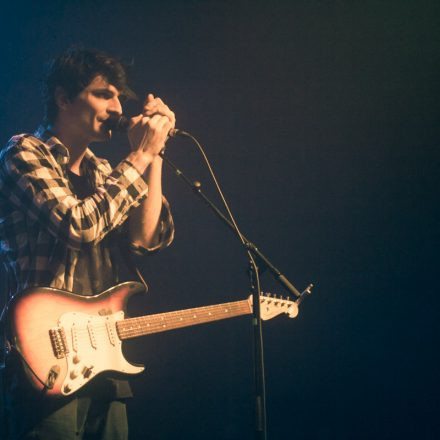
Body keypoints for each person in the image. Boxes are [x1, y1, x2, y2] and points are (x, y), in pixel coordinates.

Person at [0, 47, 175, 439]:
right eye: (104, 94)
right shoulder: (24, 152)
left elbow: (146, 238)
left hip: (103, 360)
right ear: (63, 98)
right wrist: (140, 154)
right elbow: (78, 226)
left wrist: (155, 155)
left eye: (119, 97)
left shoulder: (104, 171)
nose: (117, 106)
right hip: (44, 362)